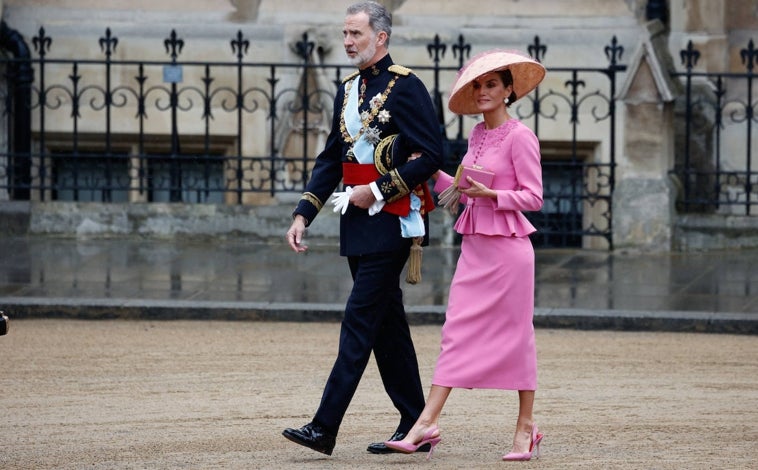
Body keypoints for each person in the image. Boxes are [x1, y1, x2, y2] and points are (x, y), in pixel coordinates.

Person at [282, 1, 443, 457]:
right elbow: (331, 159)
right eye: (345, 34)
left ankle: (324, 426)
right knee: (387, 326)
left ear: (381, 37)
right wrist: (302, 214)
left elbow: (432, 155)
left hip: (393, 220)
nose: (348, 42)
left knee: (358, 321)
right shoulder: (348, 90)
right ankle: (417, 424)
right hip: (355, 224)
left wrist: (378, 190)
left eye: (356, 34)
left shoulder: (407, 87)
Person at [383, 50, 547, 461]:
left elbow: (534, 197)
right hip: (475, 250)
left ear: (509, 90)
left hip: (509, 253)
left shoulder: (521, 136)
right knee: (455, 331)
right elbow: (457, 191)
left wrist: (493, 195)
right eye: (478, 85)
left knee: (516, 337)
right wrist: (423, 166)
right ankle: (426, 423)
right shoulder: (476, 135)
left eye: (492, 84)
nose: (483, 91)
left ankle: (525, 427)